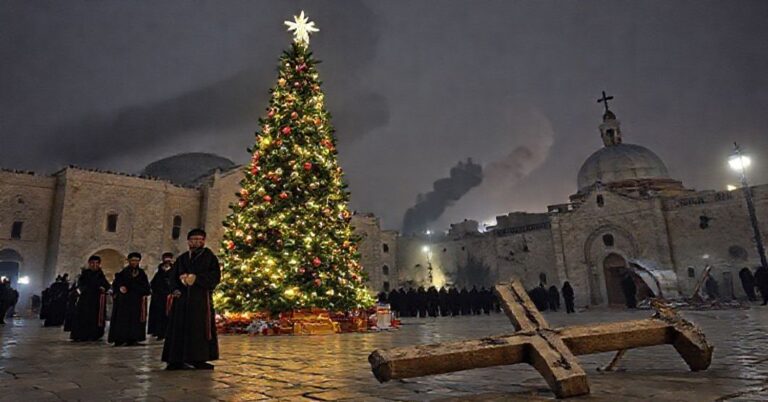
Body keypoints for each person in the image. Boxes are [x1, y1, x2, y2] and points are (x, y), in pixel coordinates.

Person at [162, 229, 221, 370]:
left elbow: (215, 276)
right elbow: (172, 277)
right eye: (193, 239)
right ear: (188, 241)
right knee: (178, 328)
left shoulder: (209, 257)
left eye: (199, 239)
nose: (196, 242)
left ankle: (198, 359)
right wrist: (175, 288)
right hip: (181, 300)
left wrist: (196, 279)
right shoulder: (182, 258)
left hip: (200, 299)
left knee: (198, 328)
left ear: (203, 241)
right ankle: (175, 359)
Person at [108, 252, 151, 346]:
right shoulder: (123, 273)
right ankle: (120, 339)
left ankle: (134, 338)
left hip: (136, 301)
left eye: (136, 260)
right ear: (129, 261)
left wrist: (140, 290)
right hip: (124, 301)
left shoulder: (142, 274)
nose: (134, 262)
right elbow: (116, 285)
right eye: (132, 260)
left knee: (135, 321)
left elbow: (146, 287)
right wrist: (120, 288)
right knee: (122, 320)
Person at [71, 256, 111, 342]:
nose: (94, 265)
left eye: (97, 263)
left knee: (95, 318)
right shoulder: (85, 274)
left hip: (96, 301)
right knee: (83, 317)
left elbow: (106, 285)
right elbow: (80, 285)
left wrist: (104, 288)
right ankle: (82, 334)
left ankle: (94, 334)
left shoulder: (100, 274)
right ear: (89, 263)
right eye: (92, 263)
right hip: (85, 300)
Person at [148, 252, 174, 340]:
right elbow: (154, 283)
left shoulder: (174, 270)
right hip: (159, 297)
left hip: (170, 296)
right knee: (159, 315)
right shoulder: (159, 272)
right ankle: (159, 332)